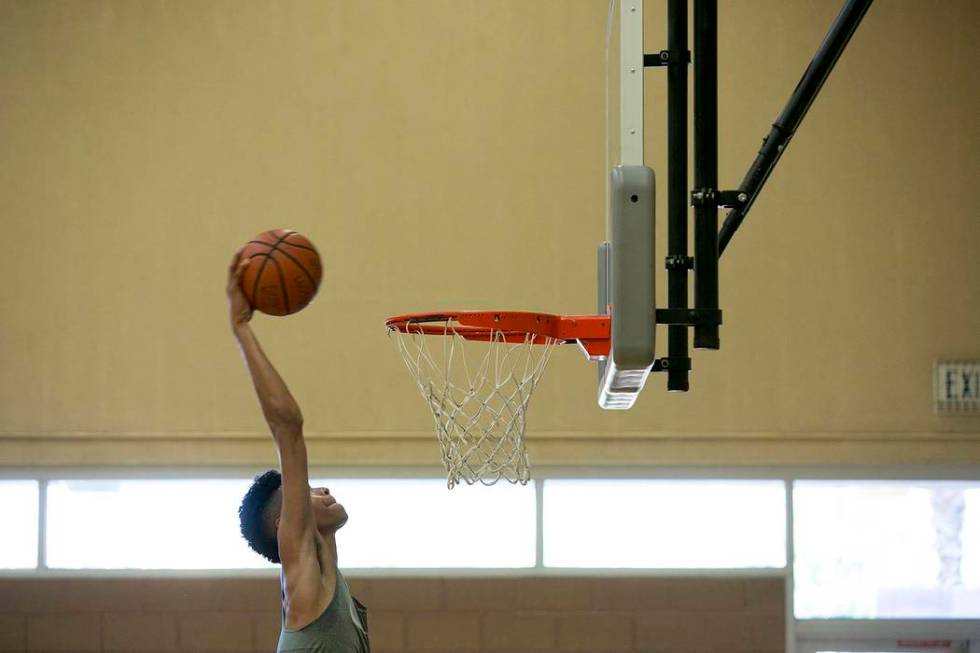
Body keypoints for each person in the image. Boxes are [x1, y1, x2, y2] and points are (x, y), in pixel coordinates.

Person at [227, 251, 370, 652]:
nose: (321, 490)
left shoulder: (326, 584)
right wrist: (241, 327)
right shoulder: (304, 585)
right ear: (286, 523)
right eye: (306, 492)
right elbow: (287, 427)